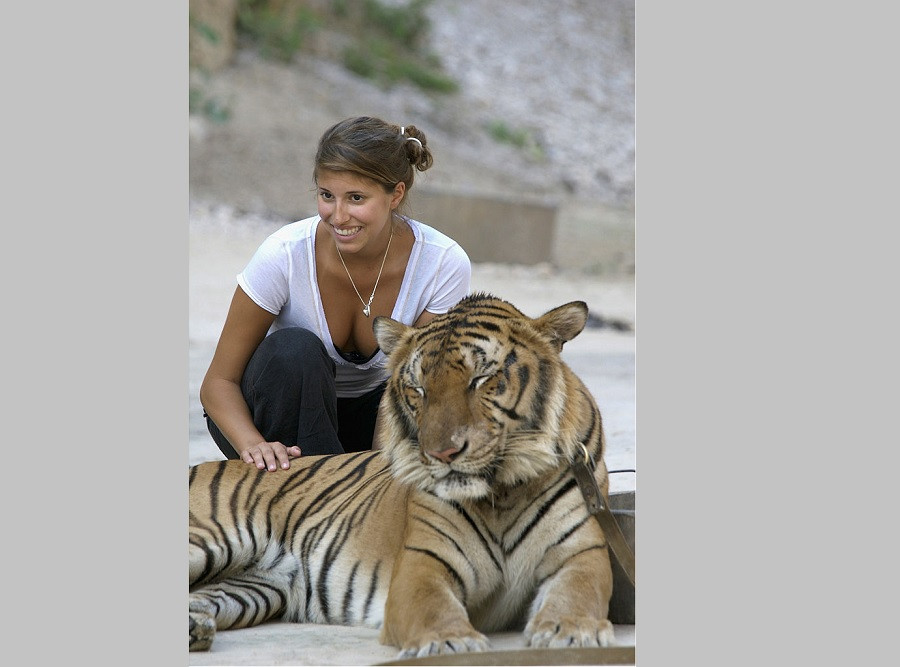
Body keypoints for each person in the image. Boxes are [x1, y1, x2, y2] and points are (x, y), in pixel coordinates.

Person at [199, 116, 472, 472]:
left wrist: (376, 476)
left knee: (425, 381)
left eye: (356, 198)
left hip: (369, 425)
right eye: (327, 196)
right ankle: (312, 490)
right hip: (275, 423)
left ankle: (339, 491)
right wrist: (254, 445)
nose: (339, 216)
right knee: (294, 350)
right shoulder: (284, 254)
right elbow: (218, 383)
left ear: (396, 195)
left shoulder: (442, 264)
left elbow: (407, 389)